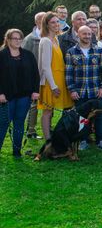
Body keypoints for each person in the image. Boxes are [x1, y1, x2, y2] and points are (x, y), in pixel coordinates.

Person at [65, 25, 102, 151]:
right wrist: (72, 90)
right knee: (82, 118)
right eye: (84, 34)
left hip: (96, 91)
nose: (87, 36)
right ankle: (83, 140)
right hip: (80, 92)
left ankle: (100, 141)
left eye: (89, 34)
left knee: (100, 116)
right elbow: (68, 73)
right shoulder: (71, 52)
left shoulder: (99, 51)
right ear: (78, 35)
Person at [0, 29, 40, 157]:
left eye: (19, 38)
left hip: (24, 96)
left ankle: (17, 151)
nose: (17, 41)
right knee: (3, 123)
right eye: (14, 38)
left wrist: (35, 91)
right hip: (6, 96)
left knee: (19, 123)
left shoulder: (28, 55)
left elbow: (35, 74)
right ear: (8, 40)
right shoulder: (2, 55)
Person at [37, 12, 73, 140]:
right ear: (46, 24)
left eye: (58, 22)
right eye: (53, 22)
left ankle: (58, 135)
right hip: (50, 80)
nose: (56, 24)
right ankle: (48, 139)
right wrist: (53, 86)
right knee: (47, 111)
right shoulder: (45, 41)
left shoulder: (56, 39)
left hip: (59, 77)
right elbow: (45, 66)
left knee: (57, 109)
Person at [22, 11, 46, 139]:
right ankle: (31, 130)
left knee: (47, 103)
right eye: (43, 20)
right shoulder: (29, 39)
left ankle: (48, 128)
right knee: (34, 103)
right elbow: (23, 58)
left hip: (47, 75)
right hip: (33, 76)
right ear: (37, 22)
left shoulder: (49, 37)